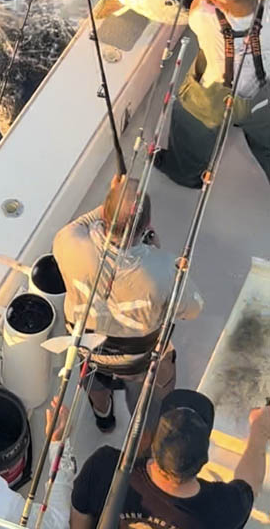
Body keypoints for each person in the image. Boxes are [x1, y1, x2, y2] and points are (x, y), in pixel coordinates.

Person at [53, 177, 203, 432]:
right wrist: (158, 253)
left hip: (87, 350)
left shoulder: (66, 241)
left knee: (94, 382)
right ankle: (144, 429)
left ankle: (104, 418)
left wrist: (115, 196)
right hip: (138, 361)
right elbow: (194, 310)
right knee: (151, 393)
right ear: (146, 225)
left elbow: (87, 222)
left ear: (104, 215)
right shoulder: (166, 270)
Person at [156, 0, 270, 188]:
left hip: (212, 100)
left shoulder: (204, 18)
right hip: (262, 97)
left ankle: (185, 174)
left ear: (218, 3)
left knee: (189, 132)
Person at [69, 388, 269, 529]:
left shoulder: (104, 466)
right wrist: (259, 429)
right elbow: (250, 485)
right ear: (203, 459)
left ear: (153, 445)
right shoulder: (224, 509)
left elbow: (79, 519)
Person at [0, 399, 75, 528]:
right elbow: (56, 523)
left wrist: (58, 444)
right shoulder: (0, 509)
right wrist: (58, 444)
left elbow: (56, 522)